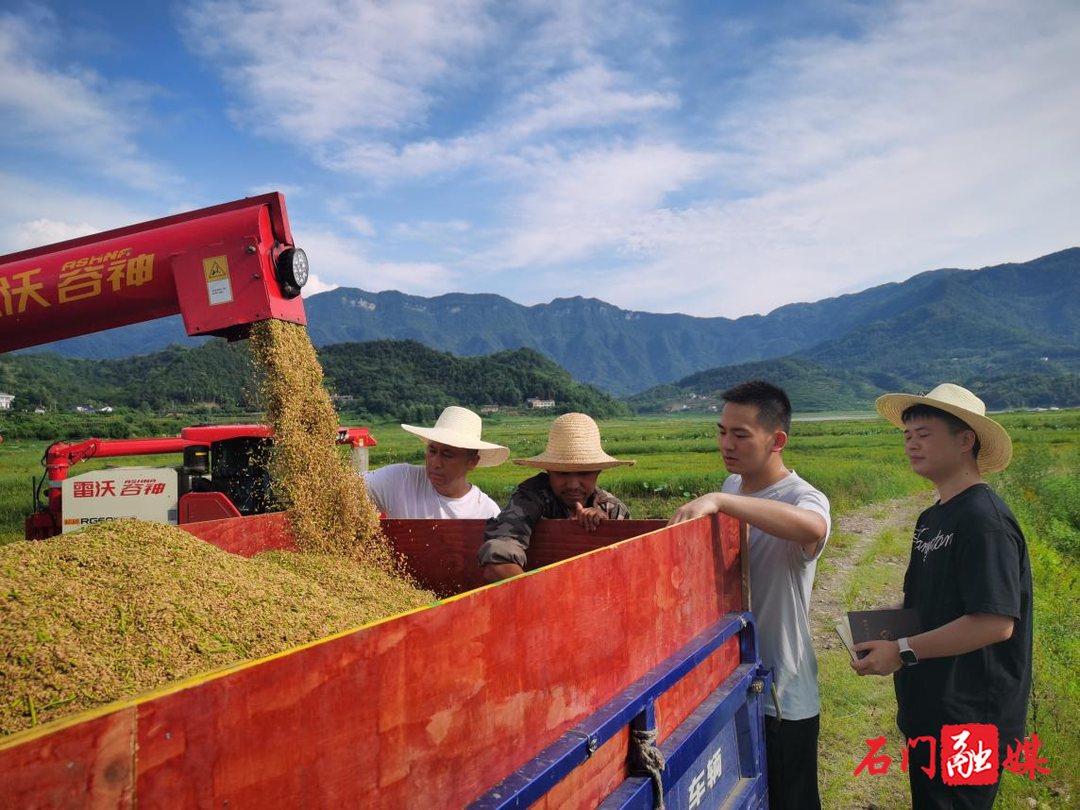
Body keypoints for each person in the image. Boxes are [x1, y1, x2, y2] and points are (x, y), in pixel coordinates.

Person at [852, 383, 1032, 810]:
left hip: (972, 717)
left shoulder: (983, 520)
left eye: (925, 434)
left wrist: (903, 650)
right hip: (932, 707)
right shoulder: (932, 517)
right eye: (907, 436)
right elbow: (927, 602)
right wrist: (880, 626)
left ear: (965, 440)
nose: (912, 444)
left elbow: (995, 621)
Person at [667, 380, 830, 810]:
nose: (727, 443)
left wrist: (722, 501)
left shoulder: (803, 497)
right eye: (722, 431)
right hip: (734, 683)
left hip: (783, 693)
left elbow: (813, 528)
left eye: (740, 435)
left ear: (777, 440)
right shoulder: (734, 486)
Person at [479, 412, 634, 582]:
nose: (573, 484)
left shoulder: (613, 509)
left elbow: (633, 566)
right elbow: (498, 559)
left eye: (584, 473)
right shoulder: (531, 498)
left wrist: (608, 529)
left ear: (598, 472)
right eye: (562, 473)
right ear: (549, 472)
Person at [362, 406, 509, 519]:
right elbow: (347, 485)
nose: (435, 463)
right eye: (432, 451)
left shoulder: (486, 512)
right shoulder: (400, 479)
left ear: (472, 462)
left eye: (447, 454)